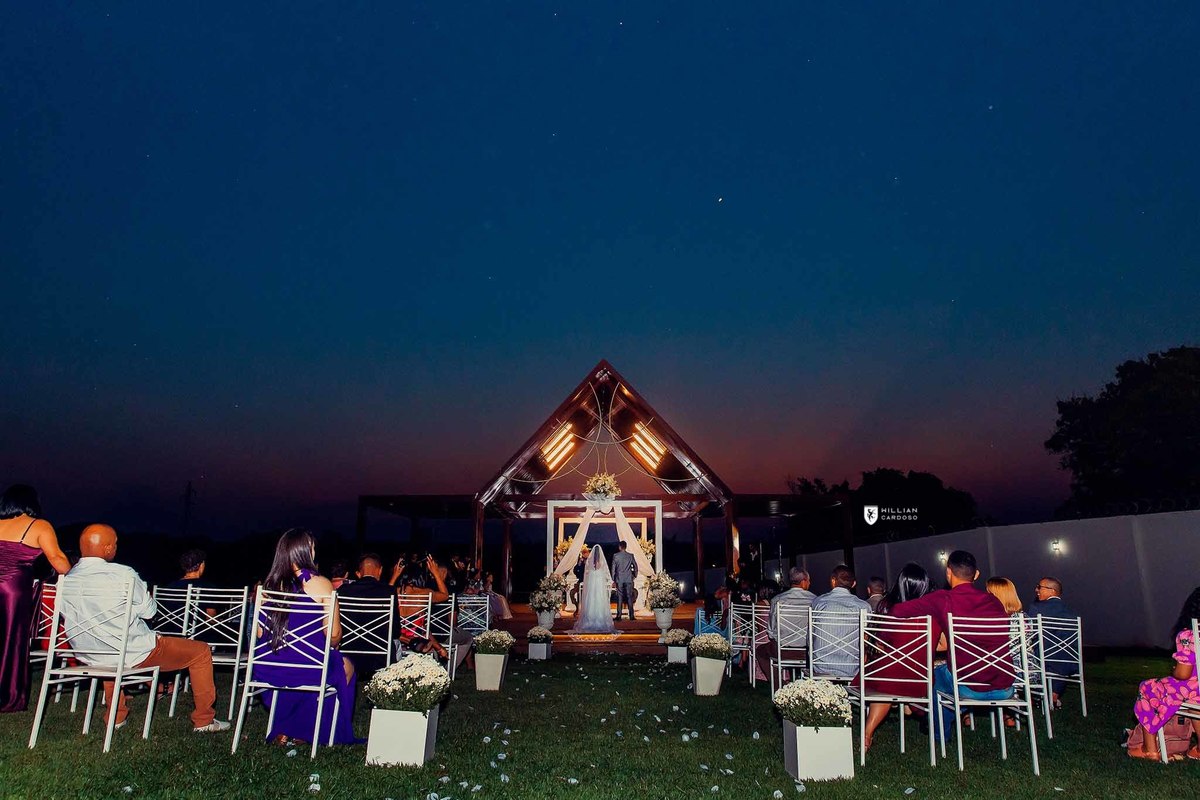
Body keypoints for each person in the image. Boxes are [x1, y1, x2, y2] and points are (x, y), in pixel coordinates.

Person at [60, 524, 228, 732]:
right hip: (134, 652)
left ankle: (117, 717)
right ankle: (204, 720)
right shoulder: (123, 574)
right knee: (201, 651)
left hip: (91, 654)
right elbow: (150, 612)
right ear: (107, 548)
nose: (116, 548)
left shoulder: (67, 580)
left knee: (110, 649)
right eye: (115, 544)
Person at [891, 550, 1011, 742]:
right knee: (948, 676)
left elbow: (897, 610)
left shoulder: (943, 599)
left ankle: (938, 734)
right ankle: (944, 719)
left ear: (948, 572)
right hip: (1005, 686)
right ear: (976, 574)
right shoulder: (994, 602)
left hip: (967, 686)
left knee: (933, 678)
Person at [251, 528, 356, 746]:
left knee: (307, 667)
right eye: (313, 547)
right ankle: (304, 730)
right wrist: (333, 645)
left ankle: (287, 727)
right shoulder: (322, 584)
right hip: (307, 668)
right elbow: (333, 635)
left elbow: (259, 633)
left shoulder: (266, 586)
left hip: (269, 668)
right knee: (345, 667)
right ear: (306, 551)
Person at [0, 485, 71, 712]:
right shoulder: (38, 525)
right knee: (11, 638)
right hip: (12, 590)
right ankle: (7, 695)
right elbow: (59, 561)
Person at [861, 562, 934, 752]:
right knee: (901, 673)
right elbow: (941, 645)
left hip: (890, 673)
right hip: (920, 676)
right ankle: (909, 704)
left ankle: (867, 732)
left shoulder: (887, 609)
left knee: (888, 677)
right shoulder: (930, 613)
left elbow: (878, 644)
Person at [1126, 586, 1200, 761]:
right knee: (1194, 701)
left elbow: (1183, 674)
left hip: (1194, 689)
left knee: (1147, 687)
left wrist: (1175, 669)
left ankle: (1150, 750)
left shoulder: (1189, 635)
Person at [336, 553, 396, 679]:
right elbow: (395, 631)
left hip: (349, 654)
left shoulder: (343, 591)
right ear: (380, 571)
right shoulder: (388, 592)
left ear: (358, 574)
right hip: (379, 657)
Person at [1026, 576, 1079, 709]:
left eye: (1039, 587)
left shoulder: (1036, 608)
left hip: (1043, 658)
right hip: (1070, 661)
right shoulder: (1071, 612)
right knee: (1059, 654)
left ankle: (1036, 695)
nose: (1036, 590)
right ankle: (1053, 696)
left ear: (1052, 591)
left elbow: (1029, 634)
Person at [809, 565, 871, 678]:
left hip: (821, 666)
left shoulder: (818, 603)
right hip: (853, 668)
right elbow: (866, 640)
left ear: (833, 581)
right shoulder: (864, 607)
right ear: (853, 584)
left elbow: (810, 637)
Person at [755, 568, 816, 675]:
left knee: (760, 650)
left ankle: (779, 684)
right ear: (803, 582)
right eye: (809, 581)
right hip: (809, 652)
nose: (810, 583)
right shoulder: (815, 600)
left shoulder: (777, 600)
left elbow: (771, 631)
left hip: (784, 651)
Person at [571, 546, 616, 634]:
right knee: (599, 601)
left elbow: (587, 575)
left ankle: (589, 620)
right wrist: (611, 581)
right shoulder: (601, 563)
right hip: (598, 588)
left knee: (591, 602)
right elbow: (606, 574)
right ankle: (600, 620)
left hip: (592, 589)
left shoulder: (589, 563)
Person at [610, 541, 637, 621]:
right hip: (628, 578)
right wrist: (634, 575)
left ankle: (619, 616)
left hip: (619, 579)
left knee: (620, 597)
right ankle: (631, 616)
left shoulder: (616, 556)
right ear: (626, 547)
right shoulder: (630, 556)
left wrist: (613, 579)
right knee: (629, 597)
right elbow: (635, 566)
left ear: (619, 547)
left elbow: (613, 569)